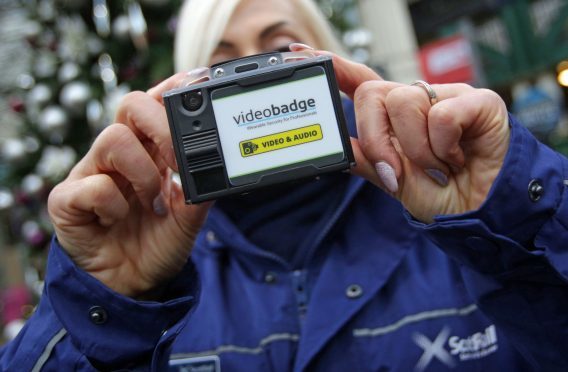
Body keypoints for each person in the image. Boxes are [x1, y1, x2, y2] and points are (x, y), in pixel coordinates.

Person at [2, 0, 568, 370]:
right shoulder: (152, 280)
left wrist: (516, 219)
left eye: (279, 49)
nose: (255, 72)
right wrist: (104, 308)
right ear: (180, 107)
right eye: (217, 68)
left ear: (331, 69)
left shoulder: (461, 231)